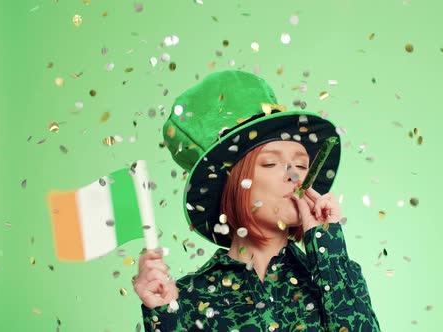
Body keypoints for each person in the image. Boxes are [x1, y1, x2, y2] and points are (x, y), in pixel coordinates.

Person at [134, 70, 381, 331]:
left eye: (301, 164)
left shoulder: (336, 275)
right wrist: (163, 316)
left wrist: (326, 243)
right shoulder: (183, 299)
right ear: (233, 185)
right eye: (271, 162)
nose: (295, 175)